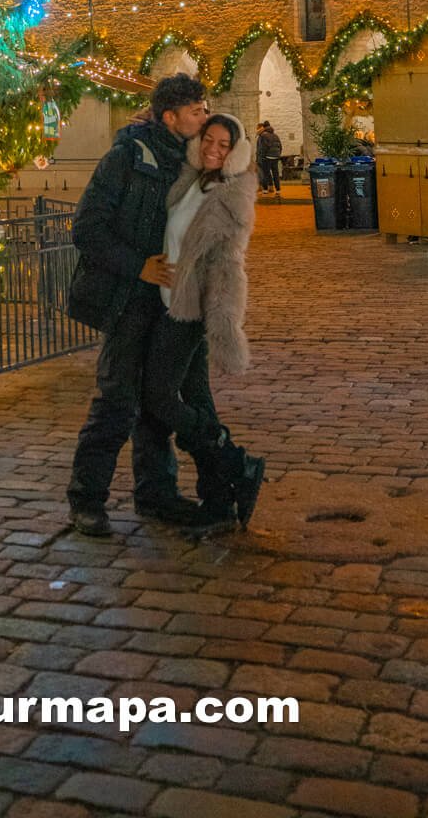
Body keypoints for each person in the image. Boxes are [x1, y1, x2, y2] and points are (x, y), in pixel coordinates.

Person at [66, 73, 221, 537]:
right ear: (170, 117)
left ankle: (157, 493)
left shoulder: (195, 165)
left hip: (174, 305)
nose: (204, 117)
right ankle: (85, 499)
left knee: (159, 403)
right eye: (196, 111)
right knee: (117, 401)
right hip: (130, 299)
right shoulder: (128, 158)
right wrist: (139, 267)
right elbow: (87, 228)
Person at [142, 113, 266, 528]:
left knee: (157, 397)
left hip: (188, 310)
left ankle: (233, 459)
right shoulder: (190, 181)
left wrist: (225, 322)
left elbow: (228, 266)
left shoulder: (231, 198)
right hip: (167, 300)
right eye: (208, 140)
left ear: (236, 152)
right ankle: (218, 498)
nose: (214, 149)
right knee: (197, 401)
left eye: (223, 144)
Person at [255, 120, 284, 198]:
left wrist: (262, 157)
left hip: (267, 157)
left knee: (265, 174)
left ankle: (265, 190)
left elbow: (262, 148)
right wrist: (278, 155)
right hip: (275, 156)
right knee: (275, 174)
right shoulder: (275, 135)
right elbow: (280, 146)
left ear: (264, 127)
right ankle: (278, 190)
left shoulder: (263, 135)